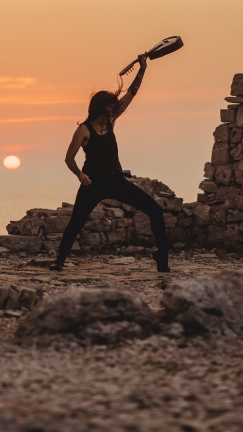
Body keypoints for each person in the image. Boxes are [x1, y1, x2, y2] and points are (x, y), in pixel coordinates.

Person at [51, 54, 170, 273]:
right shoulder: (84, 130)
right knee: (75, 224)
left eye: (112, 109)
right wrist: (79, 175)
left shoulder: (111, 121)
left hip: (115, 180)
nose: (112, 112)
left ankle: (162, 259)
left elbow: (131, 94)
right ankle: (59, 261)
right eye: (108, 109)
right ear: (99, 109)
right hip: (92, 183)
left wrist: (142, 69)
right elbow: (69, 158)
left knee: (155, 210)